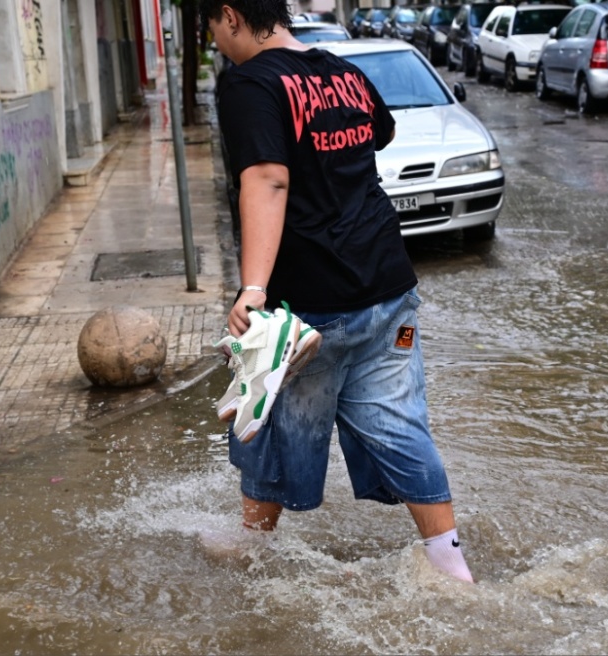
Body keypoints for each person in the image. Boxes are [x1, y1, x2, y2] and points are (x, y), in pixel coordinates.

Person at [202, 0, 474, 583]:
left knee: (267, 409)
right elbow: (381, 132)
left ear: (229, 16)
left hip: (314, 298)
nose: (215, 44)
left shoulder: (248, 84)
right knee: (401, 425)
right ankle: (450, 564)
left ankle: (253, 547)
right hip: (388, 285)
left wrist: (252, 290)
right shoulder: (344, 72)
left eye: (211, 30)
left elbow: (269, 179)